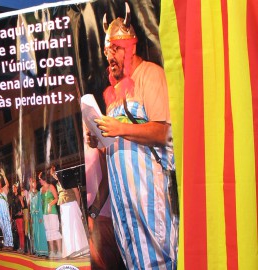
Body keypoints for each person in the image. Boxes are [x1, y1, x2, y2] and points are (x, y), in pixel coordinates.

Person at [88, 7, 179, 268]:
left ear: (130, 46)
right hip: (123, 211)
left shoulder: (151, 75)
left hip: (152, 204)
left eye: (115, 49)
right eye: (107, 52)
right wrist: (100, 139)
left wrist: (120, 128)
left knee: (162, 262)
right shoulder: (114, 96)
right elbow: (113, 160)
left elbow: (164, 132)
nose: (110, 57)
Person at [52, 166, 89, 259]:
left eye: (54, 173)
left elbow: (77, 193)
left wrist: (79, 207)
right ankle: (70, 250)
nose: (53, 175)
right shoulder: (57, 183)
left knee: (74, 226)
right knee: (67, 229)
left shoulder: (68, 179)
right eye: (52, 174)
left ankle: (79, 249)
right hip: (63, 206)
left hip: (71, 204)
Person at [39, 172, 62, 259]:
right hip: (45, 213)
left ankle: (59, 251)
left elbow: (57, 198)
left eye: (40, 179)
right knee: (48, 232)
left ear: (44, 179)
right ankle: (52, 251)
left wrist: (50, 204)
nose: (39, 181)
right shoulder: (41, 190)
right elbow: (41, 202)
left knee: (55, 230)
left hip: (52, 212)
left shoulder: (51, 186)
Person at [28, 175, 48, 257]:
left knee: (41, 233)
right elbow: (29, 205)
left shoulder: (39, 192)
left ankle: (43, 251)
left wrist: (40, 217)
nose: (34, 184)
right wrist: (31, 217)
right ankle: (37, 251)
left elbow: (40, 205)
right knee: (35, 233)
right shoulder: (30, 194)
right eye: (33, 182)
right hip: (33, 216)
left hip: (39, 215)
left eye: (35, 182)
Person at [10, 183, 25, 253]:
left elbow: (23, 205)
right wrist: (11, 217)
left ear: (17, 188)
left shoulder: (19, 196)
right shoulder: (13, 197)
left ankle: (23, 247)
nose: (14, 189)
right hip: (15, 217)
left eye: (15, 187)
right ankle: (21, 247)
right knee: (19, 233)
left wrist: (21, 211)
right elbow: (12, 208)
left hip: (19, 216)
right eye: (13, 188)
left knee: (21, 232)